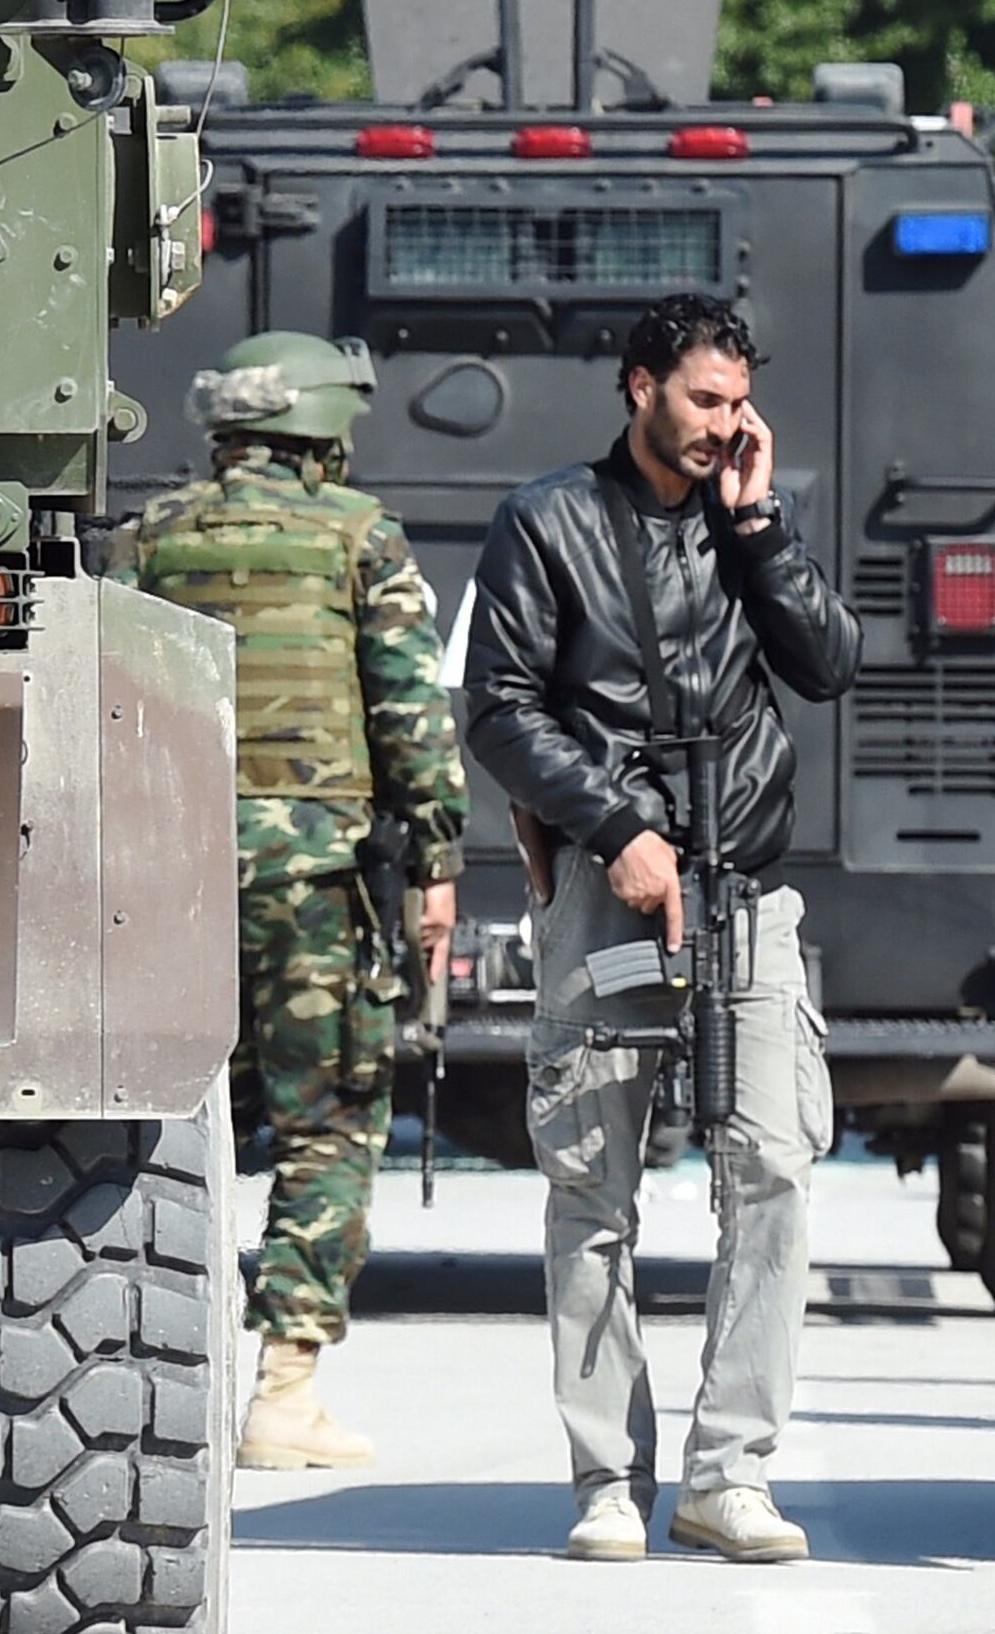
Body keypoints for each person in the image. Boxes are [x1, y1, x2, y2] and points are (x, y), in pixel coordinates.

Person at [462, 291, 857, 1564]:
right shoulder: (548, 522)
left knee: (778, 1168)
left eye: (738, 403)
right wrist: (615, 829)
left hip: (744, 890)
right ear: (640, 387)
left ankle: (729, 1473)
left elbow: (830, 663)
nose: (723, 425)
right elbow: (500, 710)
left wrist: (760, 526)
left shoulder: (748, 524)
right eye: (703, 400)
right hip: (613, 889)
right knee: (593, 1181)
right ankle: (605, 1478)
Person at [112, 330, 465, 1472]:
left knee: (150, 1123)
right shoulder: (359, 536)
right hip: (314, 886)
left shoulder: (150, 539)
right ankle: (284, 1393)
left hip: (167, 883)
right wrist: (436, 862)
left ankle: (130, 1376)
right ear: (323, 431)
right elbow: (412, 718)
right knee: (328, 1126)